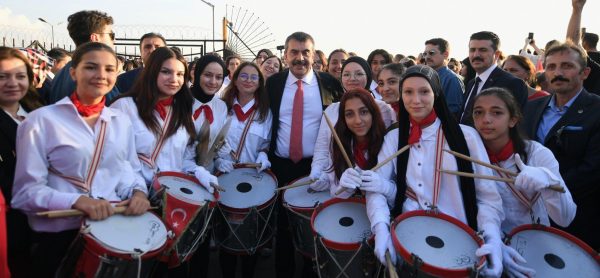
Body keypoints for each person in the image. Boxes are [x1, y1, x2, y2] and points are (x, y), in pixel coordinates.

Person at [11, 42, 150, 277]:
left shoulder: (120, 120)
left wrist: (138, 192)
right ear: (73, 72)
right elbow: (25, 194)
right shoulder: (41, 120)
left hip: (111, 231)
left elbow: (128, 169)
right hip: (59, 237)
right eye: (91, 67)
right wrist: (76, 201)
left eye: (109, 69)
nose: (101, 76)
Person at [363, 65, 504, 276]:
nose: (416, 100)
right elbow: (376, 188)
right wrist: (381, 229)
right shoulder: (394, 138)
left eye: (424, 91)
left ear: (436, 93)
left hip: (460, 240)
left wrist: (492, 237)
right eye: (408, 92)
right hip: (406, 236)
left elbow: (488, 198)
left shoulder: (466, 137)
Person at [472, 87, 576, 277]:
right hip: (489, 245)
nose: (485, 120)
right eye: (478, 112)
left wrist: (547, 180)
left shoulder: (538, 154)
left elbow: (565, 218)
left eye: (496, 112)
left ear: (513, 119)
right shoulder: (469, 157)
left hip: (536, 246)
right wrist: (494, 243)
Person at [266, 31, 343, 278]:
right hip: (281, 165)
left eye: (305, 52)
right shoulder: (274, 83)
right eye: (294, 52)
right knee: (284, 226)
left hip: (315, 167)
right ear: (286, 55)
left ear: (313, 54)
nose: (300, 58)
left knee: (315, 225)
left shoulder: (329, 84)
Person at [522, 41, 600, 251]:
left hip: (577, 218)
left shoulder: (596, 110)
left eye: (566, 66)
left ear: (585, 73)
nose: (558, 73)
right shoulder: (531, 108)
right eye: (551, 67)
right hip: (528, 213)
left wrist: (547, 187)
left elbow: (593, 170)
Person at [216, 62, 272, 278]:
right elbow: (214, 139)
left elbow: (266, 141)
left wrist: (263, 155)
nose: (249, 80)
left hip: (252, 179)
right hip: (225, 176)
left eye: (254, 77)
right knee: (226, 234)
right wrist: (220, 158)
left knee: (250, 234)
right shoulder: (222, 107)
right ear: (235, 79)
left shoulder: (265, 111)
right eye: (244, 76)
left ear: (259, 83)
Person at [309, 57, 396, 194]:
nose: (352, 78)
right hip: (342, 184)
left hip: (376, 187)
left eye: (359, 74)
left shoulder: (383, 109)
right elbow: (322, 148)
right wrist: (316, 174)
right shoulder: (331, 110)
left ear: (367, 76)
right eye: (346, 74)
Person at [0, 46, 44, 278]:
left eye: (20, 75)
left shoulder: (40, 111)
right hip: (13, 223)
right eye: (2, 76)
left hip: (52, 216)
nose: (12, 83)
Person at [459, 31, 528, 127]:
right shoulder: (472, 83)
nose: (476, 55)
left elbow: (515, 125)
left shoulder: (512, 83)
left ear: (497, 54)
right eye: (472, 50)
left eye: (483, 50)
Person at [49, 10, 119, 104]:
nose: (114, 40)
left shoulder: (60, 75)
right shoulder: (98, 80)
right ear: (95, 38)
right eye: (111, 35)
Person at [423, 38, 464, 117]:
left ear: (445, 54)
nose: (427, 57)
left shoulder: (452, 79)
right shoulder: (426, 76)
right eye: (425, 54)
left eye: (431, 53)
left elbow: (453, 112)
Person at [567, 0, 600, 95]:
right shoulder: (594, 69)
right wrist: (577, 10)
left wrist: (577, 10)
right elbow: (572, 44)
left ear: (584, 42)